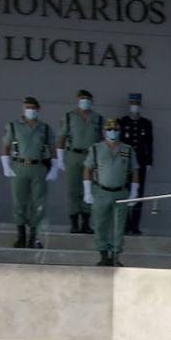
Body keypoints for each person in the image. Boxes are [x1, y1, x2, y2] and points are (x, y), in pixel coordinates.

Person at [82, 118, 140, 266]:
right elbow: (87, 169)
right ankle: (103, 255)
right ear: (104, 131)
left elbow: (134, 170)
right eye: (109, 129)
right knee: (100, 223)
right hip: (101, 191)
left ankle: (115, 255)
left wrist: (134, 192)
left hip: (121, 192)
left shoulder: (127, 149)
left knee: (118, 225)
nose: (112, 132)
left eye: (115, 129)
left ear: (119, 132)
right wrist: (87, 191)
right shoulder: (95, 148)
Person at [1, 96, 57, 249]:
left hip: (38, 167)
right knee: (19, 202)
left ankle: (34, 237)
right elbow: (6, 146)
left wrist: (54, 166)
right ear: (23, 109)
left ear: (38, 110)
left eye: (32, 108)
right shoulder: (13, 126)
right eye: (27, 107)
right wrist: (5, 165)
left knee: (38, 204)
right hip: (19, 166)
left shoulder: (45, 128)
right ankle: (21, 236)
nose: (30, 110)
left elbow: (52, 148)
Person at [57, 89, 103, 234]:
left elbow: (103, 139)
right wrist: (59, 158)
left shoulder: (98, 118)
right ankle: (74, 223)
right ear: (77, 99)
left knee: (89, 190)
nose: (85, 101)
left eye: (88, 99)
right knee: (73, 190)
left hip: (91, 156)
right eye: (83, 98)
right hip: (73, 155)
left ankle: (86, 223)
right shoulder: (69, 117)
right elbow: (61, 137)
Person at [118, 93, 153, 236]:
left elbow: (149, 143)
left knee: (139, 194)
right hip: (125, 161)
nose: (135, 105)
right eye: (132, 102)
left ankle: (135, 225)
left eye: (137, 103)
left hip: (141, 162)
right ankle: (125, 224)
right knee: (125, 191)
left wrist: (150, 161)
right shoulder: (122, 122)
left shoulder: (146, 123)